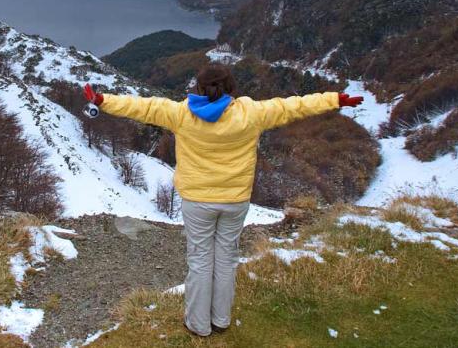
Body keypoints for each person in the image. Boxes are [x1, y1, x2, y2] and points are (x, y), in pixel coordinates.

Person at [82, 64, 363, 337]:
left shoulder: (181, 114)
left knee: (200, 260)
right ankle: (221, 320)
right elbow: (294, 106)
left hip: (197, 200)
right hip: (235, 199)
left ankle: (198, 325)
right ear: (230, 88)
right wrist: (335, 99)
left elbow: (142, 106)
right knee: (227, 259)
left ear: (200, 89)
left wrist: (103, 100)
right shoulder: (251, 113)